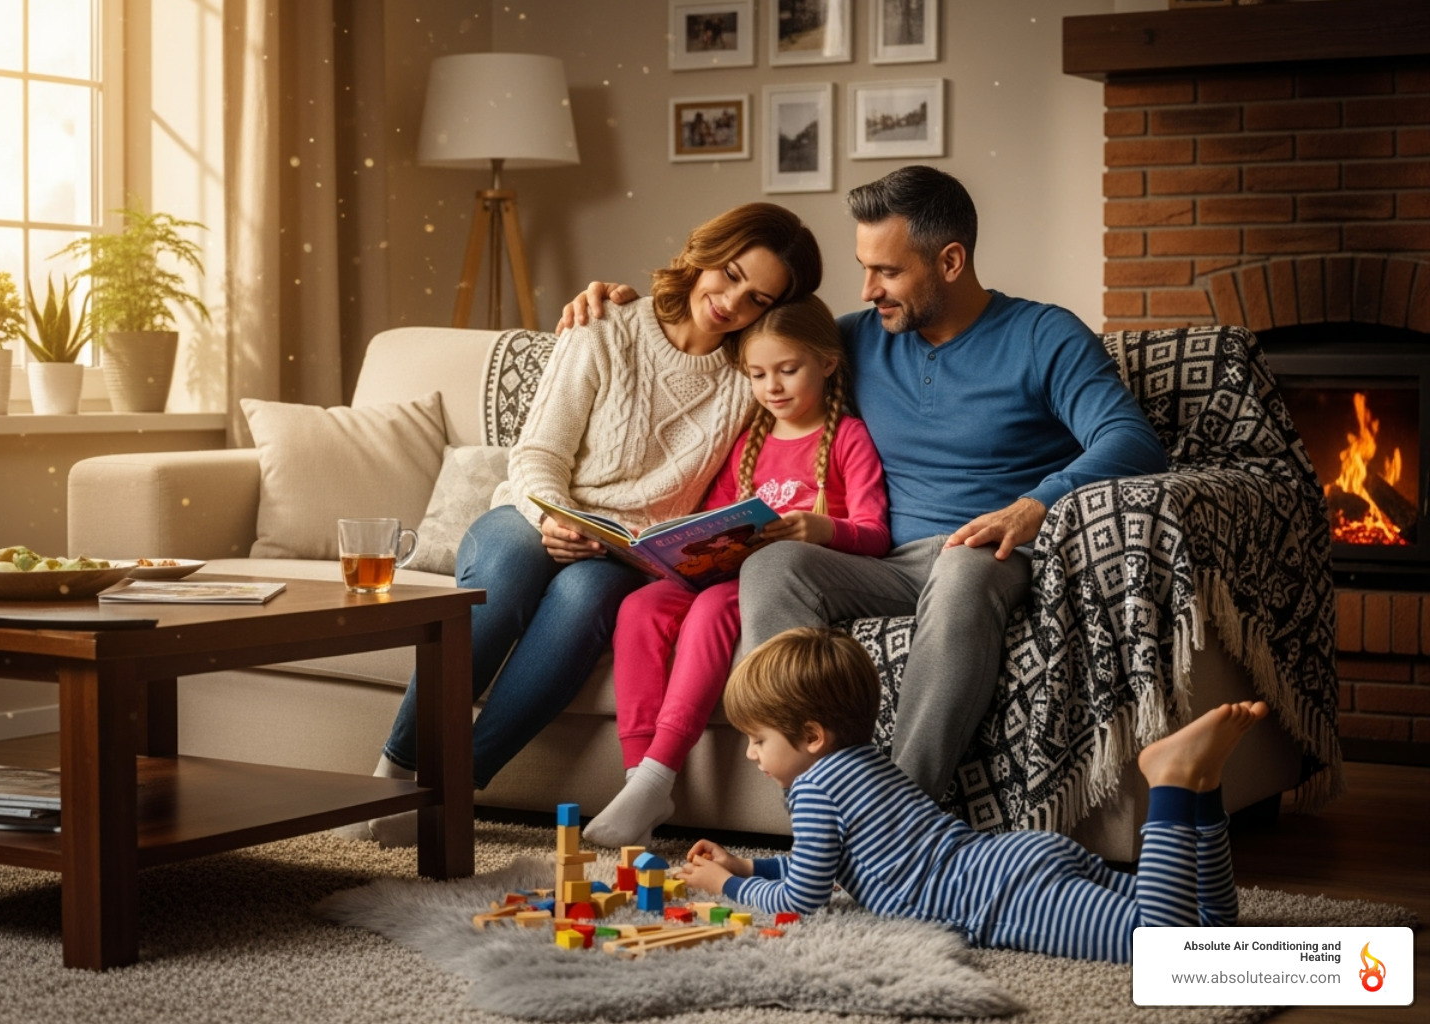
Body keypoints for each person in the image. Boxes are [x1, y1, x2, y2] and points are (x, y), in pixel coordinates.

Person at [557, 166, 1168, 801]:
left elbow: (1131, 441)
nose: (868, 288)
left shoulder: (1045, 336)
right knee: (775, 567)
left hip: (993, 558)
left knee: (963, 566)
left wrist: (1034, 506)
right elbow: (744, 339)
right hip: (888, 563)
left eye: (888, 271)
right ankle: (817, 807)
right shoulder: (853, 339)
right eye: (864, 267)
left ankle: (900, 817)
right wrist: (626, 306)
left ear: (951, 260)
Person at [344, 202, 823, 847]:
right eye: (730, 274)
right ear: (706, 252)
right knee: (512, 569)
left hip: (620, 556)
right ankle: (395, 770)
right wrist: (552, 517)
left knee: (584, 597)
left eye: (757, 297)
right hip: (531, 510)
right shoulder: (606, 324)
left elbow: (826, 347)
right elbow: (538, 454)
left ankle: (454, 784)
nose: (731, 302)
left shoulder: (753, 374)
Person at [678, 627, 1268, 963]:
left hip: (1003, 899)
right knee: (1212, 925)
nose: (752, 755)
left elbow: (803, 900)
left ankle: (1170, 780)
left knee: (1172, 953)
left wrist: (728, 885)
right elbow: (825, 864)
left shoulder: (813, 791)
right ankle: (1202, 789)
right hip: (1018, 859)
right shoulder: (869, 766)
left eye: (758, 740)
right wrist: (752, 861)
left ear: (810, 737)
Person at [582, 296, 890, 848]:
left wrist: (825, 529)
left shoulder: (847, 437)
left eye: (787, 370)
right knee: (641, 606)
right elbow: (716, 518)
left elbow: (875, 530)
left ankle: (660, 771)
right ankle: (639, 781)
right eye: (757, 374)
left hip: (783, 580)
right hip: (725, 572)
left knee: (710, 609)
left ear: (826, 362)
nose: (772, 386)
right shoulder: (750, 441)